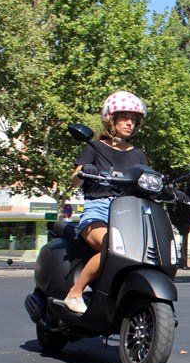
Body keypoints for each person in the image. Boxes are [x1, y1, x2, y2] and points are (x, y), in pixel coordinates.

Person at [63, 91, 149, 314]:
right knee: (112, 245)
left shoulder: (138, 154)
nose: (130, 123)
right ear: (111, 119)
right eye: (124, 117)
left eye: (134, 119)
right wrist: (83, 171)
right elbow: (73, 180)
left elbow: (149, 180)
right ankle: (75, 292)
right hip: (98, 210)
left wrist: (173, 190)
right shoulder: (95, 148)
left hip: (129, 213)